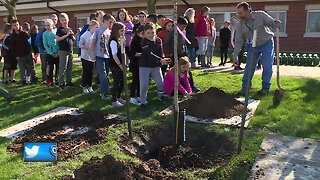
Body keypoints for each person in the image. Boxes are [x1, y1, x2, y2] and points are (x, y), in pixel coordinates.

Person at [233, 2, 281, 95]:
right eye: (238, 13)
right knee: (249, 67)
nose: (239, 15)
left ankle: (265, 87)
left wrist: (276, 23)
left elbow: (271, 23)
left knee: (267, 64)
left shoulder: (260, 15)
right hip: (253, 45)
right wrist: (235, 55)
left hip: (267, 42)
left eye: (241, 13)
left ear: (248, 10)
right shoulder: (240, 25)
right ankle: (245, 87)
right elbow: (238, 41)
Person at [139, 22, 171, 111]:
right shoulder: (144, 42)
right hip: (144, 66)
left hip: (156, 66)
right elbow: (149, 53)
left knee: (160, 82)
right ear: (144, 33)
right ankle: (143, 102)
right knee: (144, 85)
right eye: (148, 33)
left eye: (152, 32)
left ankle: (161, 96)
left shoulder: (158, 40)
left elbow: (160, 52)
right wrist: (160, 60)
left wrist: (164, 59)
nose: (150, 35)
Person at [166, 16, 201, 93]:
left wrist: (185, 51)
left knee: (187, 70)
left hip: (183, 54)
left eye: (185, 27)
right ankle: (174, 88)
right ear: (178, 25)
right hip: (175, 55)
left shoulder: (183, 32)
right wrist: (171, 52)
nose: (184, 28)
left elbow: (184, 42)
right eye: (182, 26)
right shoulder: (173, 32)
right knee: (175, 72)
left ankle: (191, 85)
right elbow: (167, 43)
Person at [91, 14, 115, 100]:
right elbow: (93, 42)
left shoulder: (109, 31)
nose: (111, 24)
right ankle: (105, 94)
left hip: (107, 55)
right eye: (110, 22)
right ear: (104, 21)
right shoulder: (98, 31)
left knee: (107, 75)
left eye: (112, 22)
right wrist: (93, 53)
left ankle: (104, 92)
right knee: (103, 74)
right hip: (99, 55)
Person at [10, 20, 38, 85]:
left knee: (31, 65)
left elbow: (29, 39)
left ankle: (33, 77)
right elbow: (13, 47)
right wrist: (16, 55)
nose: (16, 26)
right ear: (12, 27)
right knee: (22, 67)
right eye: (15, 25)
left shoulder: (23, 33)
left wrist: (25, 32)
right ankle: (23, 80)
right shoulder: (13, 36)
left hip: (28, 52)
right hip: (20, 54)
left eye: (17, 24)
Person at [108, 22, 127, 107]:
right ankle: (114, 100)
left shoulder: (120, 40)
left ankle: (118, 97)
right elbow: (114, 55)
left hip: (121, 63)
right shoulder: (113, 41)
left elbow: (124, 52)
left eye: (124, 31)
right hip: (115, 64)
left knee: (122, 81)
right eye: (121, 31)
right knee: (117, 82)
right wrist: (120, 65)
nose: (123, 32)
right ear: (116, 31)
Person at [79, 20, 99, 94]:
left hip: (92, 56)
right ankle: (84, 86)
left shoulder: (95, 35)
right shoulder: (84, 35)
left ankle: (90, 86)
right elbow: (80, 45)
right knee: (85, 72)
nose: (97, 29)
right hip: (85, 56)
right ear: (91, 26)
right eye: (96, 27)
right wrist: (86, 47)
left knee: (91, 72)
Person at [56, 12, 75, 89]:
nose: (64, 21)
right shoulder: (59, 30)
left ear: (68, 20)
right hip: (63, 50)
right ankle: (61, 83)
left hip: (70, 50)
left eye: (65, 20)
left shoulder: (69, 29)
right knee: (62, 67)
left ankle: (69, 82)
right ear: (60, 21)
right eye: (62, 20)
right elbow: (57, 39)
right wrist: (66, 35)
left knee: (69, 67)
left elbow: (73, 39)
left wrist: (72, 36)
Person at [129, 25, 145, 105]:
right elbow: (134, 53)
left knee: (140, 81)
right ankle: (132, 97)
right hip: (135, 63)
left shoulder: (142, 40)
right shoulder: (135, 41)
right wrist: (144, 54)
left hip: (141, 63)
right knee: (135, 80)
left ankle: (139, 95)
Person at [43, 19, 59, 87]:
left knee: (58, 67)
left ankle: (57, 80)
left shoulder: (55, 32)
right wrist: (51, 53)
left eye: (49, 25)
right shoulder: (44, 34)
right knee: (50, 68)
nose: (47, 27)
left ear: (52, 25)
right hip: (50, 54)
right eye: (46, 25)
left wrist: (58, 52)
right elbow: (45, 45)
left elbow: (58, 42)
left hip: (57, 52)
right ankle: (50, 81)